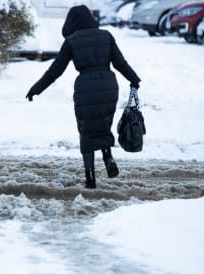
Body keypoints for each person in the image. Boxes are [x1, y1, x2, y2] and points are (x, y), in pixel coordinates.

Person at [26, 5, 141, 189]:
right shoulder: (106, 35)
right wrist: (134, 80)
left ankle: (90, 177)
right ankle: (109, 159)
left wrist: (36, 89)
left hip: (85, 88)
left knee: (87, 131)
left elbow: (55, 71)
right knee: (103, 125)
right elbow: (120, 63)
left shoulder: (72, 41)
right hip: (109, 86)